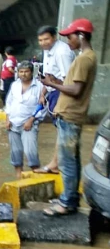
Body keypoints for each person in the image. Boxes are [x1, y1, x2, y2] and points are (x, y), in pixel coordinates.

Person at [42, 18, 97, 217]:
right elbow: (74, 85)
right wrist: (56, 81)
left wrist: (53, 84)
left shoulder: (84, 59)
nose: (68, 41)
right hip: (70, 114)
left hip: (71, 114)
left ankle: (66, 203)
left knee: (67, 162)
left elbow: (75, 89)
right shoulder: (86, 57)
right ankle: (70, 199)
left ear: (81, 36)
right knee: (70, 160)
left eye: (70, 36)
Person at [33, 25, 75, 175]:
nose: (43, 42)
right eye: (40, 40)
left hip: (61, 93)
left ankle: (56, 164)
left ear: (54, 37)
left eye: (46, 39)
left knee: (63, 131)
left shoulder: (62, 52)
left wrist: (52, 88)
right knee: (60, 131)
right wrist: (43, 93)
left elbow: (69, 83)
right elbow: (50, 75)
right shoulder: (48, 50)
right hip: (52, 92)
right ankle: (56, 163)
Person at [5, 61, 45, 179]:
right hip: (13, 124)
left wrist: (31, 119)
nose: (23, 74)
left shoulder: (40, 87)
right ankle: (19, 177)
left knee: (30, 152)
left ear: (31, 72)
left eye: (26, 71)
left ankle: (37, 177)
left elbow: (42, 107)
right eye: (21, 72)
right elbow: (9, 103)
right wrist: (7, 119)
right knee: (16, 153)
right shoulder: (14, 85)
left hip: (29, 125)